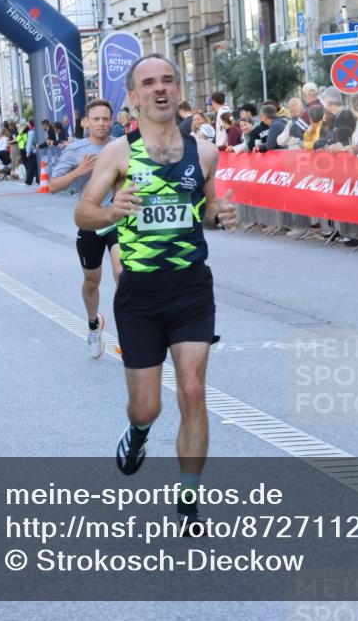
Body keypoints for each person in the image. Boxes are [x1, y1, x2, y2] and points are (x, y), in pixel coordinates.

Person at [74, 54, 239, 528]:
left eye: (168, 80)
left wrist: (220, 217)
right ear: (134, 96)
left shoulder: (204, 152)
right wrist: (111, 211)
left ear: (179, 89)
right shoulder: (119, 154)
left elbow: (204, 211)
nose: (160, 89)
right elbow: (82, 213)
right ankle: (139, 430)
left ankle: (188, 500)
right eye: (148, 83)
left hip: (190, 287)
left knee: (192, 389)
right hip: (139, 294)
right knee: (148, 404)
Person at [49, 99, 121, 358]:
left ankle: (128, 331)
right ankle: (93, 324)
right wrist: (79, 171)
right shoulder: (76, 150)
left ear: (112, 120)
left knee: (121, 271)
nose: (101, 123)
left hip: (116, 217)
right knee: (92, 281)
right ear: (86, 122)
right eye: (96, 119)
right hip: (90, 220)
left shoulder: (120, 147)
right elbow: (54, 185)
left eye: (105, 119)